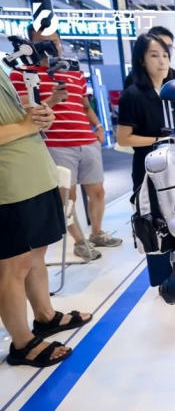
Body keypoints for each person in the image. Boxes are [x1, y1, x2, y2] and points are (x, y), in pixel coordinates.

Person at [0, 68, 92, 367]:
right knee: (13, 265)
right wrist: (27, 125)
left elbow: (15, 118)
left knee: (36, 252)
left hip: (34, 173)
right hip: (8, 185)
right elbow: (18, 126)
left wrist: (38, 117)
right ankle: (22, 343)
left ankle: (45, 316)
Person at [11, 27, 122, 261]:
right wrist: (52, 99)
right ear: (31, 44)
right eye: (43, 42)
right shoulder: (22, 74)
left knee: (98, 191)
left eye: (55, 41)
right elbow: (24, 109)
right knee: (67, 197)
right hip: (56, 142)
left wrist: (98, 126)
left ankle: (97, 233)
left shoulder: (73, 72)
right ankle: (80, 242)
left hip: (86, 139)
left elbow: (84, 104)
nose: (51, 46)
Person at [116, 33, 175, 287]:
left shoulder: (173, 90)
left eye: (165, 55)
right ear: (142, 60)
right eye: (154, 55)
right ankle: (163, 281)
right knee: (154, 223)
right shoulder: (133, 94)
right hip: (148, 169)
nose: (162, 61)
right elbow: (123, 138)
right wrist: (158, 140)